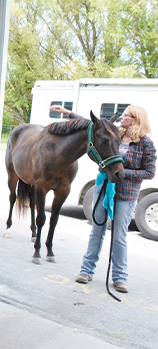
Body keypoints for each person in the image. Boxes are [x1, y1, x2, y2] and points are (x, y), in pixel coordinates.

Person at [50, 104, 156, 293]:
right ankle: (86, 270)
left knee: (119, 237)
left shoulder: (145, 143)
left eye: (126, 115)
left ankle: (120, 278)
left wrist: (122, 173)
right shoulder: (114, 134)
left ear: (136, 120)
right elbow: (92, 124)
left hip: (126, 195)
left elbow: (149, 172)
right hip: (103, 190)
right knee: (96, 232)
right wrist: (68, 113)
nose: (121, 118)